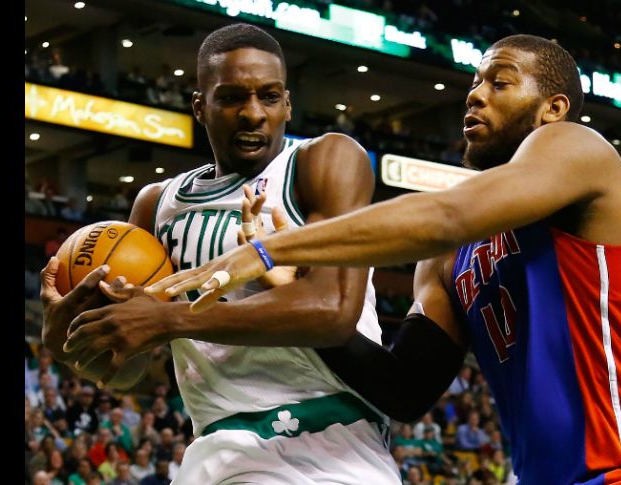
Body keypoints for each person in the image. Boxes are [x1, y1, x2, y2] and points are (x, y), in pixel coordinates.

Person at [150, 34, 621, 484]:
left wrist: (266, 247)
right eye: (474, 82)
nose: (475, 95)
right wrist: (290, 289)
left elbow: (446, 213)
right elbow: (402, 390)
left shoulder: (579, 147)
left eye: (499, 82)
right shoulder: (451, 259)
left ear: (553, 108)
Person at [41, 23, 400, 484]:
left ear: (287, 104)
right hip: (216, 449)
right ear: (199, 106)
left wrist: (172, 319)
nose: (253, 114)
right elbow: (131, 370)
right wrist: (74, 343)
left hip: (327, 443)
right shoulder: (156, 204)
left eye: (269, 97)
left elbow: (333, 310)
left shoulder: (323, 162)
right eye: (232, 98)